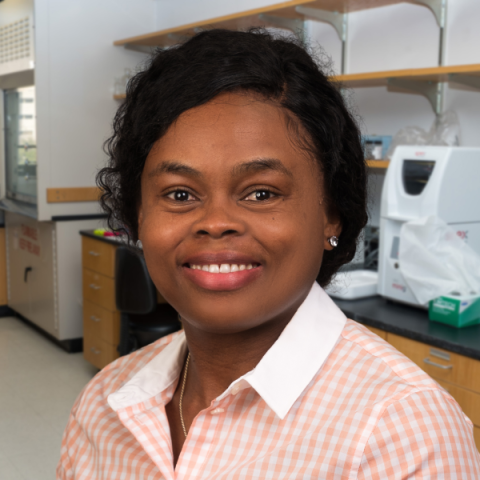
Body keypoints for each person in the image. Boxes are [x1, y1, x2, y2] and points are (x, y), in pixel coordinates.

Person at [57, 29, 480, 479]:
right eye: (180, 194)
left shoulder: (405, 435)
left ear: (331, 215)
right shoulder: (106, 400)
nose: (216, 221)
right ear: (139, 216)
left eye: (261, 193)